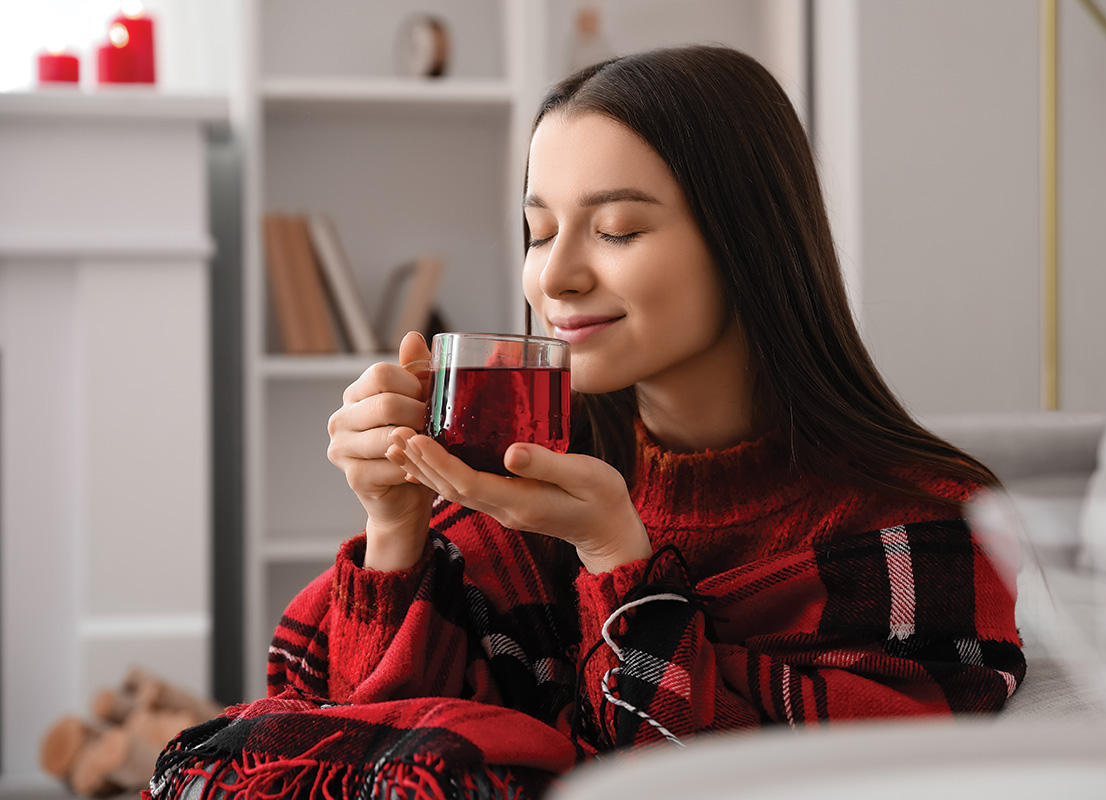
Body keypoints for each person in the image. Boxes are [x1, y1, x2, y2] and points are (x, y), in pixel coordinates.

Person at [148, 45, 1024, 800]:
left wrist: (616, 561)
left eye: (613, 229)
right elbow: (350, 732)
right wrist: (394, 531)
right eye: (538, 232)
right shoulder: (516, 492)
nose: (553, 279)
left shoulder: (924, 524)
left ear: (750, 241)